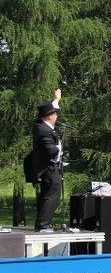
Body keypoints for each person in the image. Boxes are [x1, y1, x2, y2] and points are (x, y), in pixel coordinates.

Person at [31, 88, 63, 232]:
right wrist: (59, 147)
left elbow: (44, 114)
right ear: (49, 116)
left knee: (47, 194)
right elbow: (50, 150)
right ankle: (43, 225)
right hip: (48, 167)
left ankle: (42, 224)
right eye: (54, 113)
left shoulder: (41, 125)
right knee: (52, 194)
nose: (56, 116)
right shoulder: (44, 131)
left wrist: (56, 101)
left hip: (46, 167)